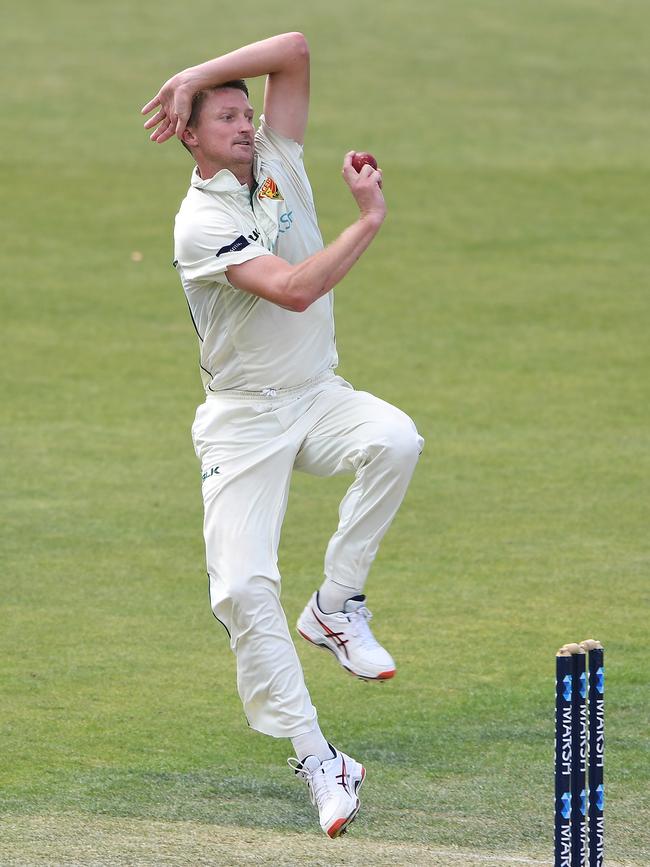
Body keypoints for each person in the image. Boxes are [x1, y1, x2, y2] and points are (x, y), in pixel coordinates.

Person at [141, 32, 423, 838]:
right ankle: (319, 759)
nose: (243, 122)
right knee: (241, 587)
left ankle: (338, 605)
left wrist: (197, 72)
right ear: (188, 137)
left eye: (244, 109)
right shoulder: (200, 223)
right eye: (223, 116)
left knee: (395, 438)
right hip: (243, 420)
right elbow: (295, 290)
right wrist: (368, 219)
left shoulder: (276, 152)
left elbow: (294, 49)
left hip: (317, 393)